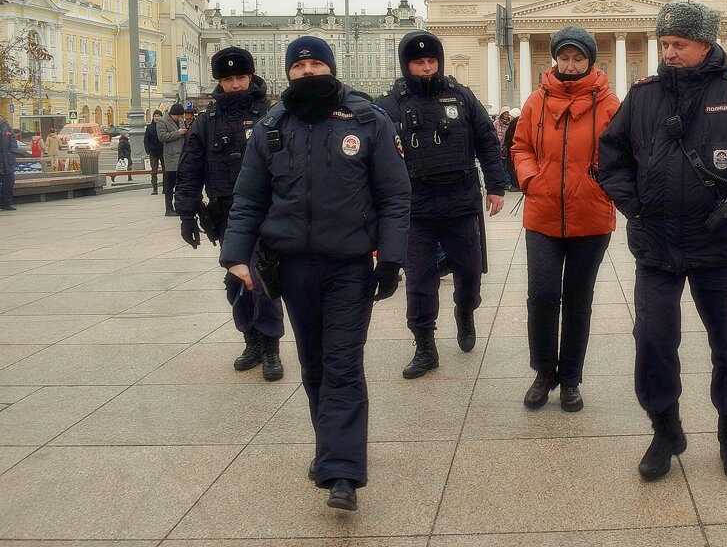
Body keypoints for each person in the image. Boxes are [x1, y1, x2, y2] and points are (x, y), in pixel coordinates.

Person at [599, 0, 727, 482]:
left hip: (722, 245)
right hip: (657, 244)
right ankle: (664, 428)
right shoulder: (643, 96)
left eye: (680, 44)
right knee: (651, 340)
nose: (669, 52)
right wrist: (635, 204)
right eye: (664, 43)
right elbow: (611, 155)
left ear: (706, 44)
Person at [220, 36, 410, 512]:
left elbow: (394, 195)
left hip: (348, 266)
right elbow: (249, 199)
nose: (307, 71)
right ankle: (331, 449)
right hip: (292, 267)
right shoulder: (271, 127)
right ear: (288, 72)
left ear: (331, 67)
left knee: (343, 363)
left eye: (315, 62)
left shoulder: (367, 120)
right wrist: (235, 255)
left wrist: (390, 256)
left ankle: (342, 471)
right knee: (315, 366)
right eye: (298, 65)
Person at [375, 31, 505, 380]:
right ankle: (425, 345)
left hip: (460, 202)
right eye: (419, 62)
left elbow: (487, 142)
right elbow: (376, 157)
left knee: (470, 273)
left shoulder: (461, 96)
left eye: (432, 61)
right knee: (419, 279)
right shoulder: (390, 104)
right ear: (407, 65)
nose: (427, 67)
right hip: (415, 208)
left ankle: (465, 312)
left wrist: (495, 186)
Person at [510, 26, 620, 412]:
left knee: (578, 300)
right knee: (541, 295)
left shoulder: (610, 104)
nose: (570, 65)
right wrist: (530, 177)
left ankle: (571, 378)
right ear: (554, 59)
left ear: (591, 60)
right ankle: (543, 371)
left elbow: (623, 154)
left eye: (578, 58)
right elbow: (520, 145)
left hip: (590, 216)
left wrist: (602, 184)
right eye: (564, 57)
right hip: (542, 214)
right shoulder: (535, 102)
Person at [175, 46, 285, 381]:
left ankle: (270, 347)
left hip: (267, 213)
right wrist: (186, 213)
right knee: (236, 280)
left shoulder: (272, 114)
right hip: (225, 215)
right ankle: (250, 339)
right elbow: (190, 168)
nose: (235, 84)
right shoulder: (207, 121)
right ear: (219, 81)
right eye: (227, 79)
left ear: (250, 76)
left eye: (240, 77)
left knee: (260, 278)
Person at [156, 103, 188, 215]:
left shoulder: (180, 121)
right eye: (177, 116)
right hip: (171, 156)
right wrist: (178, 133)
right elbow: (162, 136)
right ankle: (168, 208)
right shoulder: (162, 121)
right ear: (172, 114)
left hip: (181, 155)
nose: (179, 118)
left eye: (180, 116)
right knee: (170, 183)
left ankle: (178, 206)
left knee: (180, 183)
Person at [144, 111, 164, 193]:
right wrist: (148, 151)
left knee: (165, 171)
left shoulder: (163, 126)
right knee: (154, 171)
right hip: (153, 152)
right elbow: (146, 140)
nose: (156, 117)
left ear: (161, 117)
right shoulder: (150, 127)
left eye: (158, 116)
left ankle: (165, 188)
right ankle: (155, 188)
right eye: (155, 116)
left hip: (163, 151)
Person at [0, 115, 17, 211]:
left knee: (9, 182)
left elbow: (13, 141)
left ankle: (6, 203)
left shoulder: (6, 126)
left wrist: (12, 154)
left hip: (7, 161)